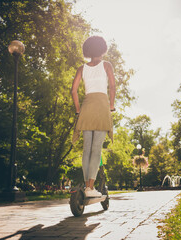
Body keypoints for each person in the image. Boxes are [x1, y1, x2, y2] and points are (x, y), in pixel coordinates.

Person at [71, 36, 116, 197]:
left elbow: (73, 91)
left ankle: (86, 186)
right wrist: (111, 106)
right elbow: (112, 86)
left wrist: (78, 110)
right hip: (102, 106)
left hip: (87, 107)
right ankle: (91, 188)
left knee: (86, 149)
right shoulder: (107, 65)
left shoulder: (81, 68)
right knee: (96, 149)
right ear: (102, 49)